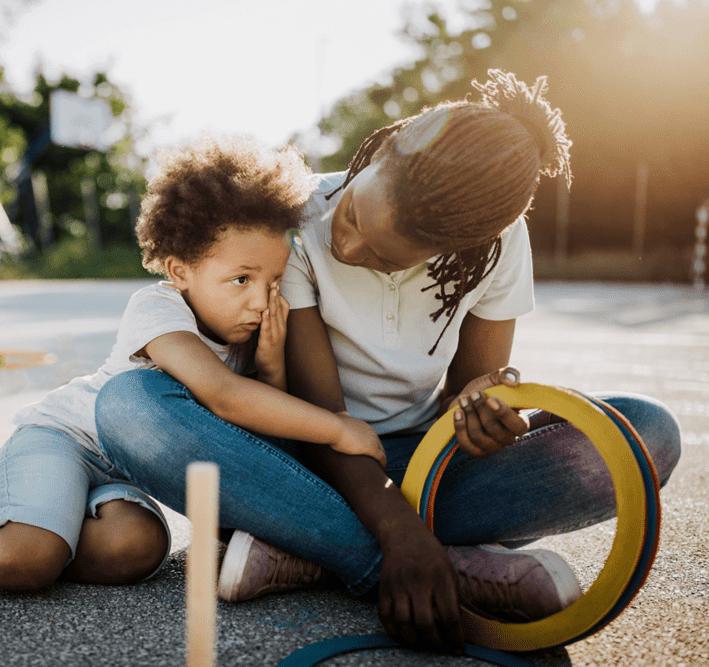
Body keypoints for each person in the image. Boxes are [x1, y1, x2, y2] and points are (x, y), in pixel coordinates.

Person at [94, 70, 682, 650]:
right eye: (352, 217)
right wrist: (401, 542)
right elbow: (324, 420)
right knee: (129, 406)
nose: (347, 244)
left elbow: (467, 390)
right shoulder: (294, 222)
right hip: (303, 462)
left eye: (380, 256)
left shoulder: (498, 244)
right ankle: (412, 565)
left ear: (451, 250)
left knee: (646, 433)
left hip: (418, 467)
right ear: (382, 150)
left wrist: (487, 418)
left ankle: (310, 554)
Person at [0, 136, 385, 591]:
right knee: (25, 561)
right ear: (180, 270)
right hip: (60, 441)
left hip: (116, 479)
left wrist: (272, 362)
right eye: (240, 278)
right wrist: (336, 426)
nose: (259, 298)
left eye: (272, 279)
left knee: (135, 552)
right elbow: (222, 397)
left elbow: (254, 435)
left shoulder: (255, 329)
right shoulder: (158, 309)